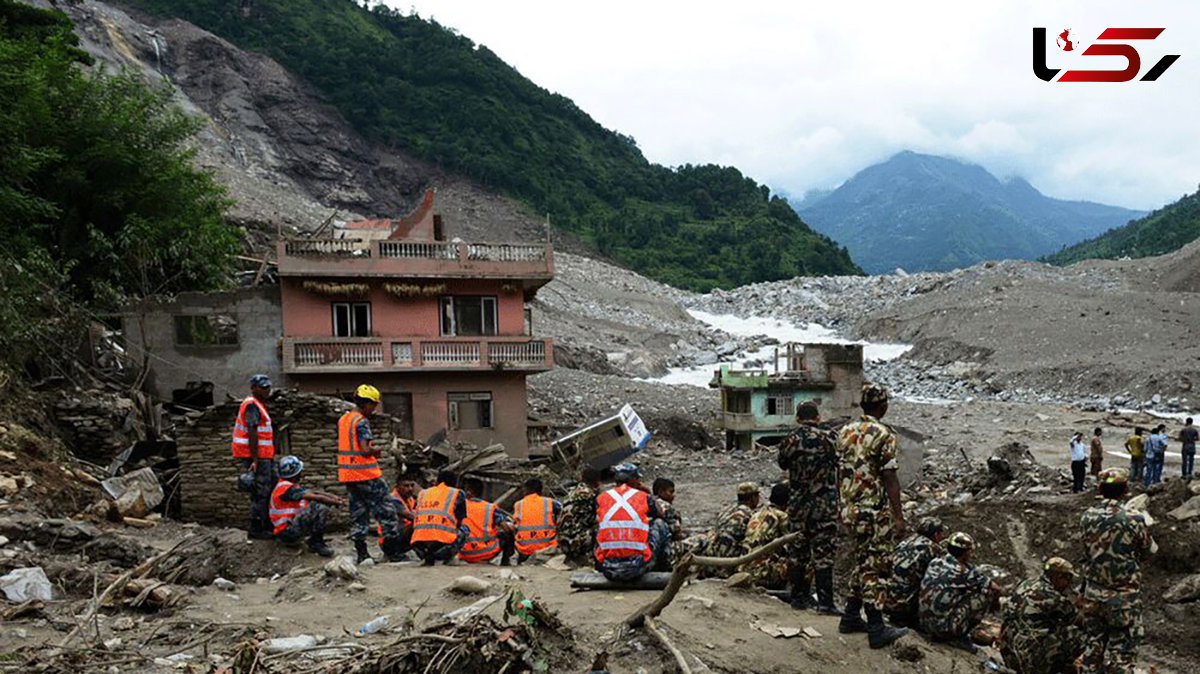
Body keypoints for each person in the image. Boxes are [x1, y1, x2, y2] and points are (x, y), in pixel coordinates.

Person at [837, 383, 908, 649]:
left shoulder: (844, 432)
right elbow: (889, 475)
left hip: (850, 509)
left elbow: (840, 473)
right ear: (883, 406)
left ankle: (851, 616)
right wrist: (898, 516)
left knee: (862, 560)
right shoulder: (883, 434)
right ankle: (877, 627)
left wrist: (841, 506)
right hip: (872, 511)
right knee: (877, 566)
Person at [1079, 468, 1153, 673]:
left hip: (1093, 594)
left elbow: (1086, 551)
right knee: (1122, 654)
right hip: (1124, 598)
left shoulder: (1087, 517)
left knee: (1092, 648)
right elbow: (1148, 552)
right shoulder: (1135, 519)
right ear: (1126, 489)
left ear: (1100, 488)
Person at [777, 400, 841, 613]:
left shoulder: (790, 440)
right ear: (817, 417)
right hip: (825, 506)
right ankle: (825, 603)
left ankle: (798, 598)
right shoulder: (830, 438)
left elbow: (783, 464)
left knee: (797, 552)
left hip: (798, 506)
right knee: (824, 555)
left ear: (797, 418)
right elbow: (837, 462)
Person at [338, 384, 404, 564]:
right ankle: (393, 552)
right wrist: (376, 450)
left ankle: (362, 554)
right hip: (366, 474)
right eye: (373, 405)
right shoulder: (361, 422)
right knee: (387, 512)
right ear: (365, 403)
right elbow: (365, 450)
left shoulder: (345, 420)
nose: (374, 409)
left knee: (359, 514)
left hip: (349, 475)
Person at [918, 532, 1001, 653]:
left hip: (923, 621)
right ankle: (959, 636)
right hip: (942, 629)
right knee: (984, 595)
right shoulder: (964, 572)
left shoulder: (936, 561)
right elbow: (996, 588)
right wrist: (995, 603)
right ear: (966, 552)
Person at [999, 557, 1085, 674]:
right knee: (1081, 635)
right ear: (1058, 577)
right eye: (1068, 579)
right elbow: (1081, 621)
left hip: (1008, 652)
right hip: (1028, 661)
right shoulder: (1053, 597)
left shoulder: (1027, 583)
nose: (1069, 584)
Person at [594, 463, 668, 582]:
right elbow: (660, 514)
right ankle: (663, 568)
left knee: (600, 527)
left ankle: (597, 566)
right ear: (633, 480)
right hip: (636, 569)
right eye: (638, 479)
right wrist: (648, 493)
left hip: (608, 569)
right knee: (659, 523)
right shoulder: (643, 496)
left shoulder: (602, 497)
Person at [268, 455, 345, 557]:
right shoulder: (287, 489)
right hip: (286, 533)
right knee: (319, 507)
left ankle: (315, 540)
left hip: (287, 529)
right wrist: (335, 502)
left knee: (317, 506)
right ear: (295, 473)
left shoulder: (287, 485)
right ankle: (316, 542)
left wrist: (333, 497)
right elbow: (315, 497)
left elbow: (314, 492)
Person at [231, 374, 276, 539]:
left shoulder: (258, 405)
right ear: (253, 388)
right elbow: (252, 433)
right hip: (257, 457)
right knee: (260, 492)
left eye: (267, 387)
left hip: (263, 456)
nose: (266, 391)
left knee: (265, 489)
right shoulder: (252, 406)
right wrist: (255, 460)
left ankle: (265, 525)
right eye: (262, 388)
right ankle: (257, 529)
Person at [885, 517, 946, 628]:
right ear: (936, 534)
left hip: (885, 599)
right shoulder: (932, 548)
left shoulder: (907, 541)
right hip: (902, 605)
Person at [739, 483, 791, 590]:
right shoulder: (782, 517)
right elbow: (793, 545)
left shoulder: (757, 513)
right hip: (761, 575)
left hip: (742, 570)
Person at [411, 470, 470, 565]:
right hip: (442, 548)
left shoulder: (423, 493)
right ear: (455, 483)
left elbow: (415, 515)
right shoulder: (457, 493)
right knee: (465, 529)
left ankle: (427, 555)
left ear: (437, 481)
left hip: (419, 546)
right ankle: (445, 558)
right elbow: (459, 521)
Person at [701, 483, 760, 578]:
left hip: (711, 558)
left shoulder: (727, 510)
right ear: (752, 498)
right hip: (728, 564)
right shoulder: (749, 515)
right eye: (757, 495)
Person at [459, 476, 515, 565]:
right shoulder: (489, 507)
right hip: (487, 551)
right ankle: (505, 562)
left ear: (467, 492)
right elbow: (506, 528)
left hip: (464, 553)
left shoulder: (459, 506)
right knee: (507, 534)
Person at [558, 467, 602, 566]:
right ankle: (595, 559)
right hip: (574, 542)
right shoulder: (589, 495)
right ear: (597, 481)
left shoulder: (573, 491)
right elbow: (592, 519)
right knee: (604, 526)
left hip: (563, 541)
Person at [512, 478, 562, 562]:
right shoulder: (550, 502)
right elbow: (563, 512)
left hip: (524, 549)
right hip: (547, 547)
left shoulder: (518, 504)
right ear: (541, 490)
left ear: (526, 489)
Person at [377, 477, 420, 557]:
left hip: (399, 536)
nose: (410, 489)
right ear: (397, 487)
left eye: (412, 485)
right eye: (406, 486)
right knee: (417, 526)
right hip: (389, 541)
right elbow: (411, 517)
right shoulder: (393, 500)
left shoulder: (410, 499)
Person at [652, 477, 684, 570]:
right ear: (661, 492)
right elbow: (677, 534)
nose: (673, 495)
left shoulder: (648, 503)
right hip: (664, 554)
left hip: (648, 551)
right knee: (701, 541)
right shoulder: (666, 507)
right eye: (671, 492)